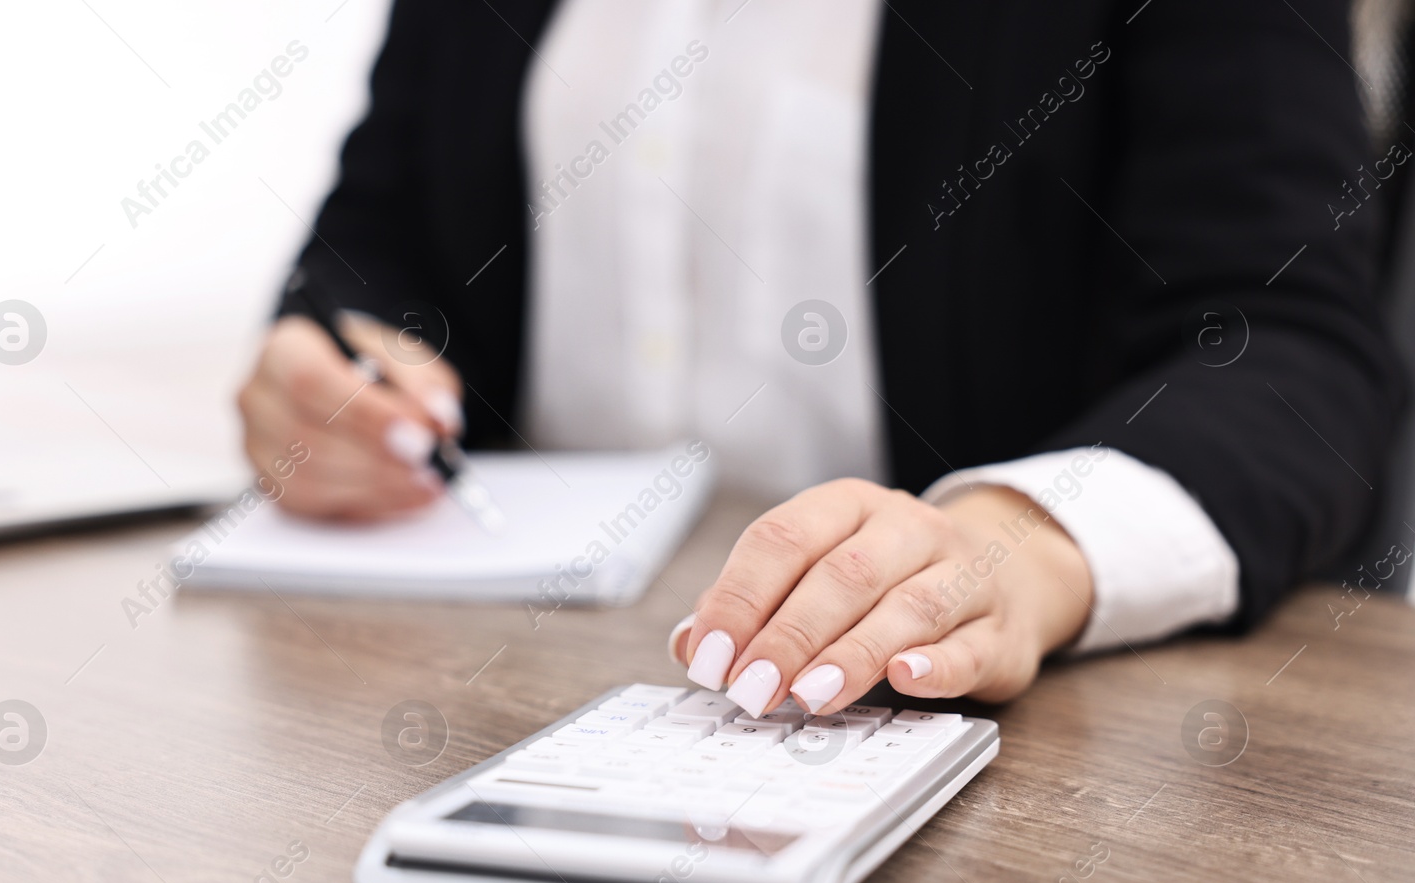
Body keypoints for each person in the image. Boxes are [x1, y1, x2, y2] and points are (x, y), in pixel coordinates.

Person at [237, 0, 1405, 715]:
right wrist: (331, 373)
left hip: (930, 733)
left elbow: (1285, 343)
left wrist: (1026, 544)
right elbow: (373, 243)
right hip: (485, 692)